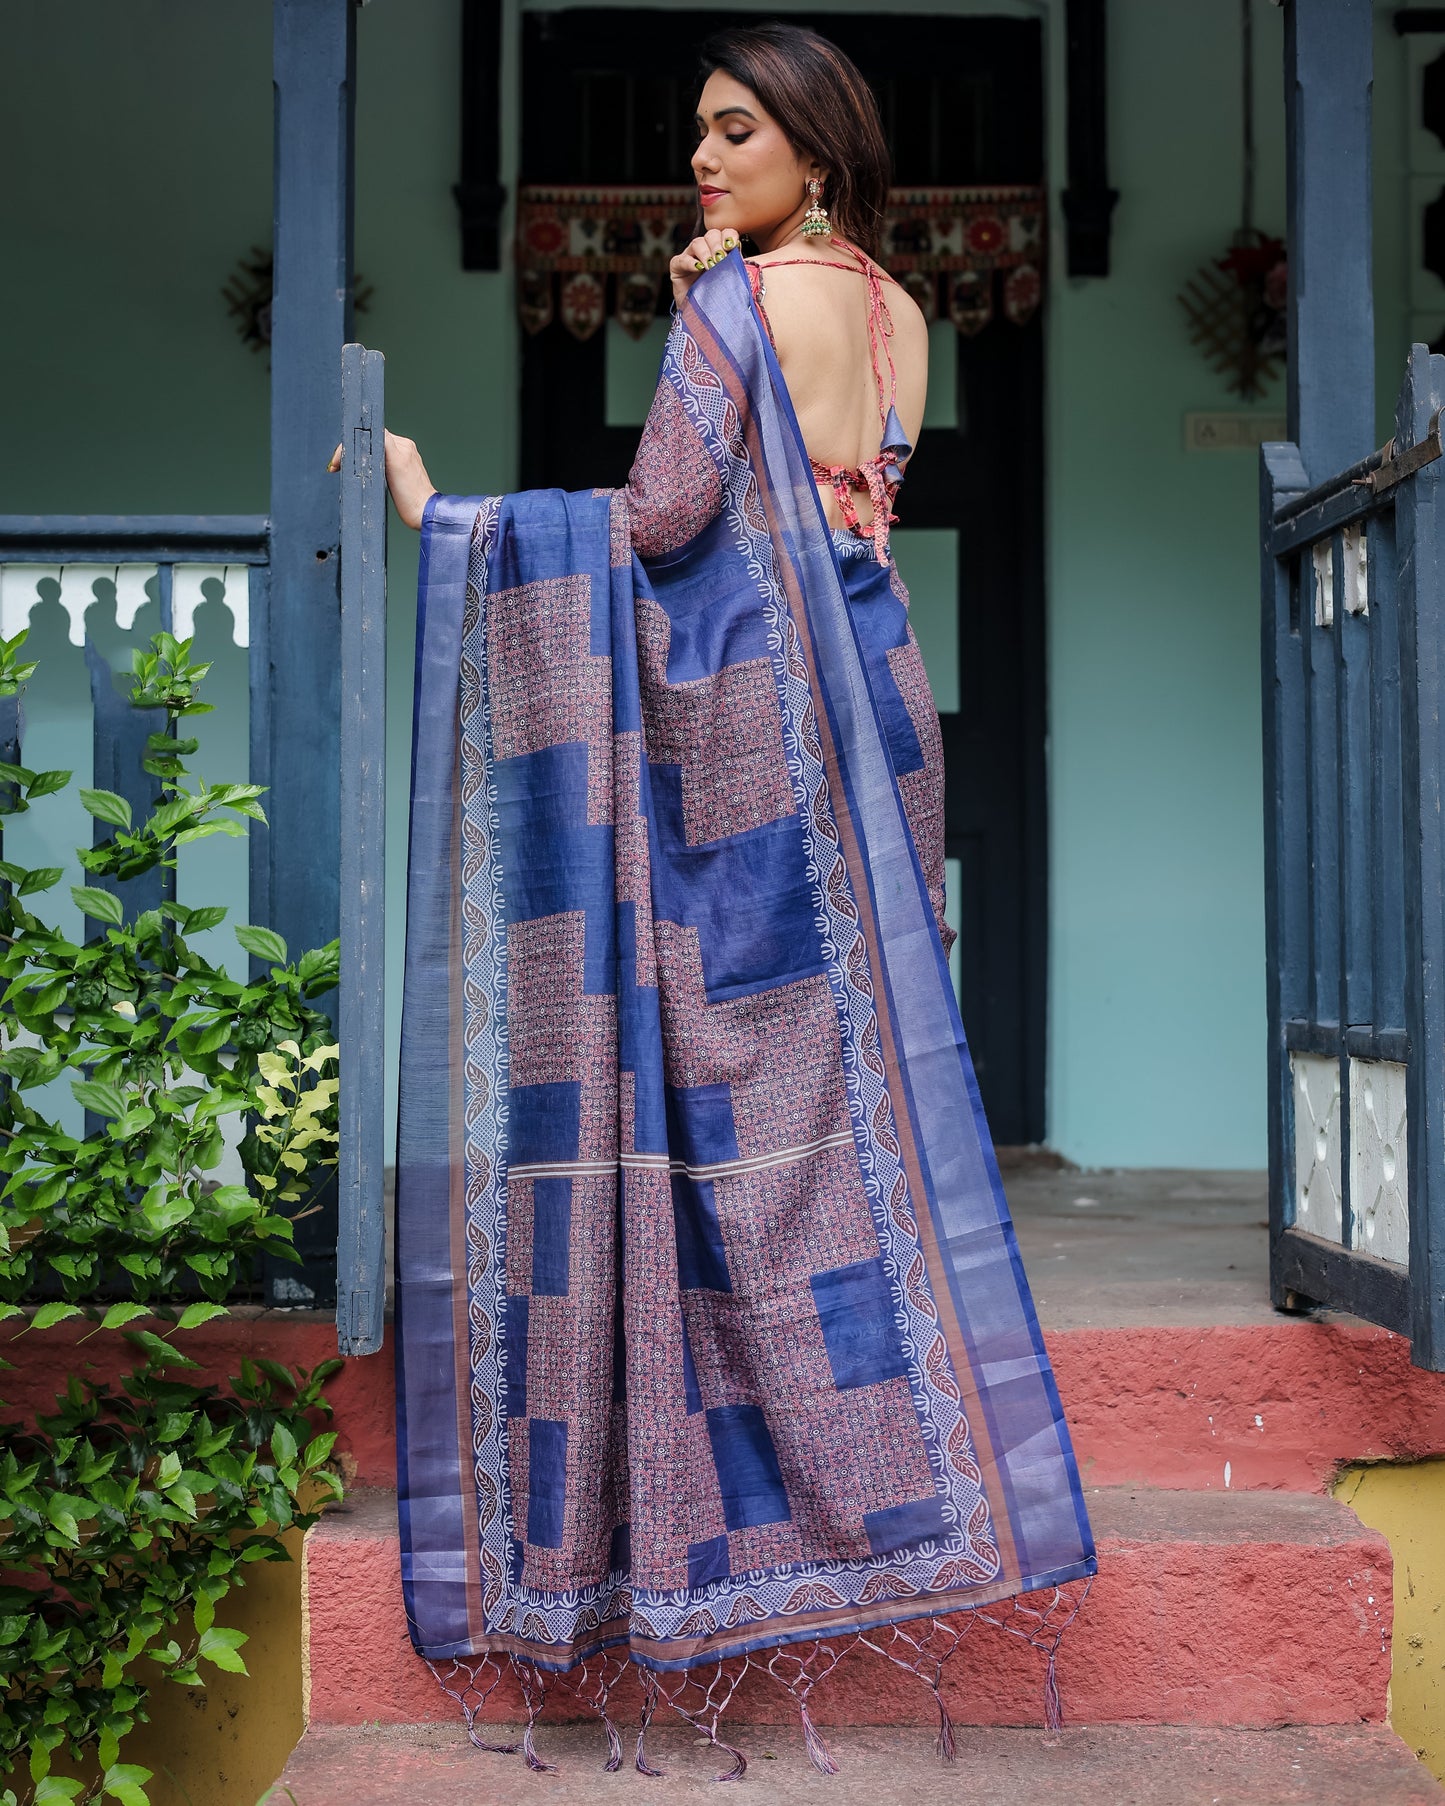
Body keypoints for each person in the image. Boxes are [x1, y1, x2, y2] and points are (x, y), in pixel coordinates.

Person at [376, 23, 1093, 1777]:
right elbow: (832, 487)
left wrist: (445, 519)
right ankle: (883, 1484)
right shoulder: (902, 311)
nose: (700, 157)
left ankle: (712, 1507)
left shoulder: (731, 311)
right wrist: (719, 290)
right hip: (873, 700)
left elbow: (657, 519)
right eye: (695, 133)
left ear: (815, 147)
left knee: (713, 1113)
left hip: (749, 731)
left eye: (733, 131)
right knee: (822, 1109)